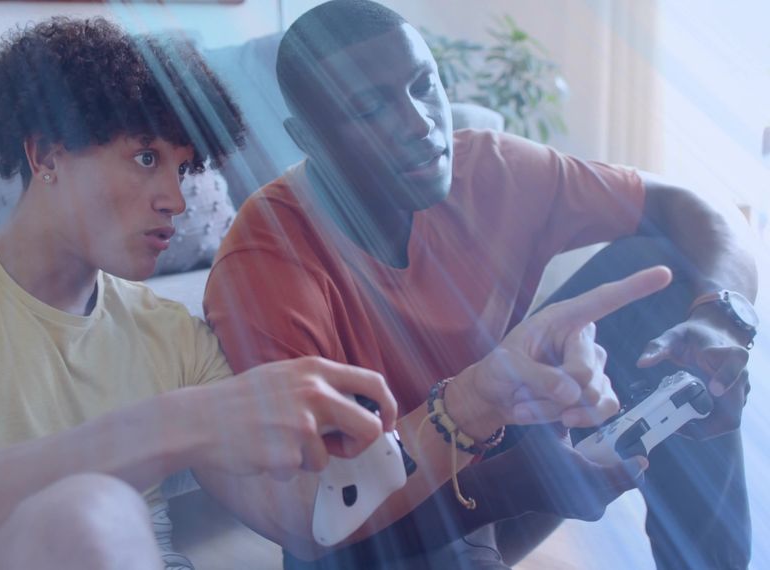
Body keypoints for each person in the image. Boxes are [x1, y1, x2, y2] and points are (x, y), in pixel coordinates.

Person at [0, 15, 676, 570]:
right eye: (144, 158)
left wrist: (478, 397)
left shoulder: (170, 338)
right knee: (87, 513)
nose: (178, 196)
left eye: (187, 166)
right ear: (43, 154)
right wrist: (172, 424)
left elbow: (312, 518)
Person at [200, 1, 758, 568]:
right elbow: (314, 516)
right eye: (370, 109)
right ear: (310, 138)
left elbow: (699, 209)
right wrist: (509, 487)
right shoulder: (265, 266)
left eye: (423, 85)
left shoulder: (491, 169)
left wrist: (722, 317)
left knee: (667, 275)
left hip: (497, 443)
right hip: (375, 524)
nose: (418, 123)